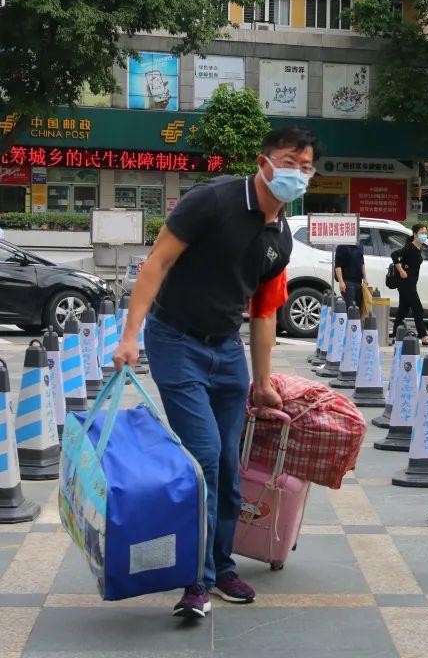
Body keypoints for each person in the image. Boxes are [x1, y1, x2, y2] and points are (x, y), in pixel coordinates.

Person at [112, 126, 317, 619]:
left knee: (229, 461)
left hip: (226, 351)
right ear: (264, 161)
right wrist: (129, 334)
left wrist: (262, 383)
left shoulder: (280, 236)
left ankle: (222, 567)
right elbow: (156, 263)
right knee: (203, 457)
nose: (298, 173)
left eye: (307, 167)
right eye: (290, 161)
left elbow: (265, 312)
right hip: (175, 340)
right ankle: (195, 581)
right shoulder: (213, 201)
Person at [391, 224, 428, 346]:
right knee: (418, 309)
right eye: (422, 233)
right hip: (406, 284)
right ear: (415, 234)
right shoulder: (410, 248)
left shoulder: (417, 248)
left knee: (403, 309)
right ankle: (424, 337)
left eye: (426, 233)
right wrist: (401, 271)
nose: (424, 235)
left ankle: (395, 333)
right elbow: (394, 255)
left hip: (410, 283)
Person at [334, 241, 365, 308]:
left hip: (359, 282)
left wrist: (365, 278)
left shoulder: (359, 245)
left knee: (358, 307)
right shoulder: (342, 246)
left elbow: (362, 262)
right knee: (350, 307)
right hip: (348, 282)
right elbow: (338, 266)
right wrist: (341, 282)